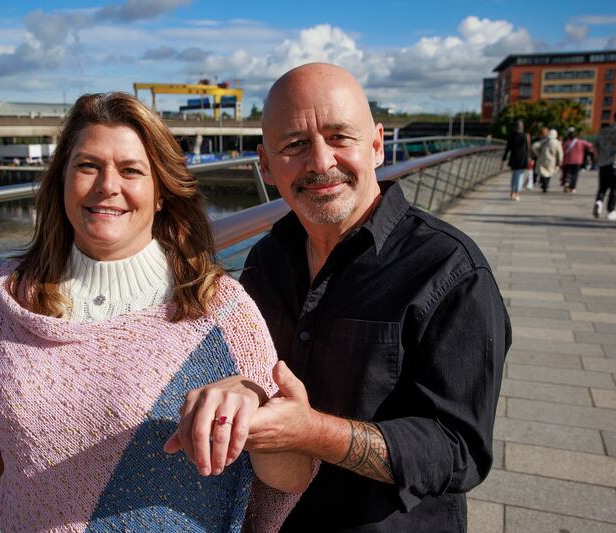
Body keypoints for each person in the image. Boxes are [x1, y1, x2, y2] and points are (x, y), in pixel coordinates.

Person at [168, 63, 511, 531]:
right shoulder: (266, 260)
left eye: (339, 137)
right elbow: (248, 372)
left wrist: (312, 433)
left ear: (376, 145)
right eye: (294, 145)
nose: (321, 162)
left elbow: (459, 451)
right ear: (265, 165)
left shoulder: (451, 271)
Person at [0, 92, 311, 532]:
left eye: (131, 170)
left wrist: (253, 400)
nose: (107, 185)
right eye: (87, 166)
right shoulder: (5, 297)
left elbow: (289, 475)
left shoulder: (219, 309)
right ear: (61, 179)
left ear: (160, 194)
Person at [593, 111, 616, 220]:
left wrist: (601, 156)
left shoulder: (604, 131)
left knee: (602, 187)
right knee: (614, 188)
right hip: (615, 163)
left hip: (603, 163)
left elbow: (595, 144)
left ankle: (599, 202)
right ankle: (610, 210)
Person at [502, 120, 531, 201]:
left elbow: (507, 148)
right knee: (519, 176)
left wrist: (503, 158)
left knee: (514, 176)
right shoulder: (525, 136)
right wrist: (529, 158)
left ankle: (512, 192)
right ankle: (517, 193)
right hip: (522, 158)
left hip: (513, 158)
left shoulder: (511, 136)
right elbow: (528, 149)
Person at [561, 127, 595, 193]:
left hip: (567, 161)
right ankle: (572, 187)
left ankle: (567, 182)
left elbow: (562, 150)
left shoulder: (566, 143)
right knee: (575, 174)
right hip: (577, 161)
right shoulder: (581, 142)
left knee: (567, 173)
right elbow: (590, 146)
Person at [532, 128, 563, 193]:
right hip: (552, 160)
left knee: (543, 173)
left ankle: (544, 185)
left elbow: (534, 146)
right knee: (549, 172)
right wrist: (560, 161)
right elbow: (560, 153)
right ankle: (546, 185)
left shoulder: (544, 140)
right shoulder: (557, 142)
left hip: (542, 159)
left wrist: (538, 154)